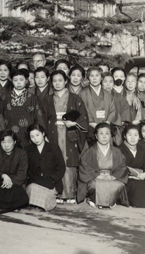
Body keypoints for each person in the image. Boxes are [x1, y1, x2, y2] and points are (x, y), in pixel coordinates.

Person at [43, 70, 88, 204]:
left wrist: (74, 123)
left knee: (69, 162)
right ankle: (57, 193)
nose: (57, 83)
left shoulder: (75, 99)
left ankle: (69, 193)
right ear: (51, 83)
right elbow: (42, 119)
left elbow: (84, 117)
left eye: (60, 80)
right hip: (53, 133)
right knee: (55, 161)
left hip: (70, 135)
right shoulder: (47, 100)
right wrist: (44, 134)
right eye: (54, 81)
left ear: (66, 81)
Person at [77, 123, 128, 208]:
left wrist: (113, 176)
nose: (104, 136)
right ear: (96, 136)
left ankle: (108, 200)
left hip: (111, 177)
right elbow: (84, 167)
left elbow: (123, 167)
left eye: (107, 133)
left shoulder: (117, 151)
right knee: (94, 185)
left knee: (119, 185)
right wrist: (97, 175)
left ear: (111, 135)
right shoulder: (89, 151)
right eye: (101, 133)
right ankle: (94, 199)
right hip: (95, 178)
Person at [0, 69, 44, 148]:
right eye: (15, 80)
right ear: (12, 81)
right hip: (9, 136)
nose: (18, 82)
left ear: (26, 81)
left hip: (28, 136)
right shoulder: (5, 98)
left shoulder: (33, 98)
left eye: (21, 80)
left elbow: (38, 117)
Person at [25, 124, 66, 212]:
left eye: (37, 135)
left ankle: (41, 205)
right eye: (32, 137)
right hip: (34, 182)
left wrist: (52, 179)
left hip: (51, 182)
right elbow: (26, 169)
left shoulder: (53, 148)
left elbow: (61, 167)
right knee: (32, 188)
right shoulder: (27, 150)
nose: (35, 139)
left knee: (46, 194)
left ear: (43, 133)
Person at [119, 124, 145, 208]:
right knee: (135, 185)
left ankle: (135, 200)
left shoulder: (143, 149)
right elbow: (118, 167)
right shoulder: (119, 149)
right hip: (126, 179)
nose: (133, 138)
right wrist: (131, 175)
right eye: (129, 134)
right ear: (124, 136)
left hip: (141, 177)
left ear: (139, 137)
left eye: (136, 135)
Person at [79, 67, 118, 139]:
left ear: (101, 78)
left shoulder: (107, 94)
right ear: (88, 78)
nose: (94, 78)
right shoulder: (83, 93)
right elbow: (83, 111)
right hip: (90, 127)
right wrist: (94, 124)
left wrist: (107, 122)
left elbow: (112, 110)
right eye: (91, 76)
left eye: (97, 76)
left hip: (106, 126)